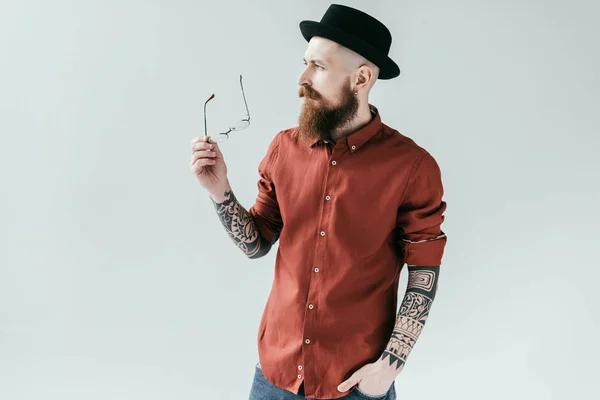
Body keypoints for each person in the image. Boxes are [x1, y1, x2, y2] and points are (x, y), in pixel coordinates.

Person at [189, 4, 447, 400]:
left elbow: (423, 274)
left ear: (361, 78)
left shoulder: (411, 167)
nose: (302, 78)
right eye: (305, 63)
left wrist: (389, 367)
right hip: (273, 376)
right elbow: (257, 244)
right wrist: (219, 190)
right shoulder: (283, 148)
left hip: (355, 385)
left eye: (319, 67)